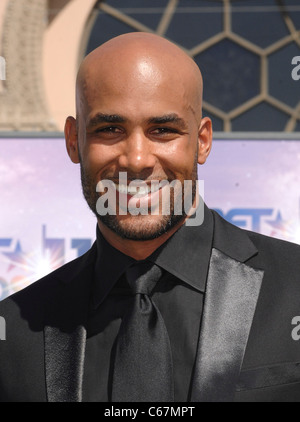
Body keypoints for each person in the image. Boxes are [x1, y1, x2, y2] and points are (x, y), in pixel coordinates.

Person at [0, 32, 300, 403]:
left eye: (162, 130)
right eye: (110, 129)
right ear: (74, 141)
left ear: (202, 141)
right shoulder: (13, 331)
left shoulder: (294, 290)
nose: (136, 159)